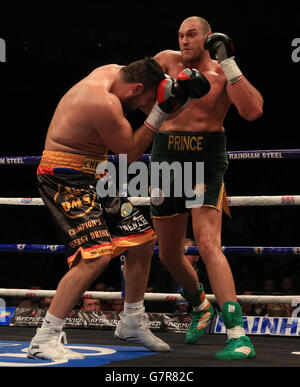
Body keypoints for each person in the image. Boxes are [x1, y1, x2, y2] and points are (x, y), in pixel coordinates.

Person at [27, 57, 211, 361]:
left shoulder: (119, 74)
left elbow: (153, 77)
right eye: (148, 99)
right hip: (64, 176)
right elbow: (130, 153)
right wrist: (159, 111)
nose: (147, 104)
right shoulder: (104, 103)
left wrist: (181, 88)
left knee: (141, 239)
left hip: (95, 174)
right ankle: (43, 337)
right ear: (137, 87)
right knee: (96, 256)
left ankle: (132, 320)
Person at [152, 16, 264, 360]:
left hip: (205, 160)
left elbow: (253, 110)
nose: (185, 41)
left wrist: (228, 63)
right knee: (169, 253)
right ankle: (200, 305)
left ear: (208, 37)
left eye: (192, 35)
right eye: (181, 35)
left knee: (208, 243)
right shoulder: (164, 62)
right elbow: (131, 91)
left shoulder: (221, 73)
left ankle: (238, 335)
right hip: (166, 157)